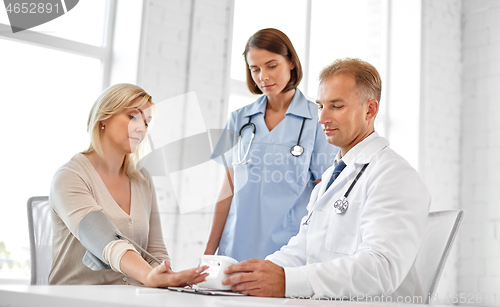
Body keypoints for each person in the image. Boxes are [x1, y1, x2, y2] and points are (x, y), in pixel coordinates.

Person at [222, 58, 431, 300]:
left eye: (337, 106)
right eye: (321, 106)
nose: (322, 118)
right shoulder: (332, 176)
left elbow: (381, 269)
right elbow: (302, 249)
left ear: (370, 110)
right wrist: (254, 275)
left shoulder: (394, 175)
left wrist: (287, 282)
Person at [49, 83, 208, 286]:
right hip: (78, 298)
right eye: (133, 116)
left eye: (147, 122)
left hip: (131, 298)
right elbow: (105, 241)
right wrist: (149, 276)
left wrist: (166, 277)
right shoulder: (69, 176)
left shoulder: (142, 180)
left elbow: (155, 252)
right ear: (104, 117)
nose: (141, 128)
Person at [205, 28, 337, 262]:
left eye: (271, 65)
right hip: (235, 249)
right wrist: (207, 256)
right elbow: (226, 192)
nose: (263, 76)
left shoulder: (317, 120)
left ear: (291, 63)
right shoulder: (239, 119)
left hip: (289, 254)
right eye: (255, 69)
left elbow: (323, 199)